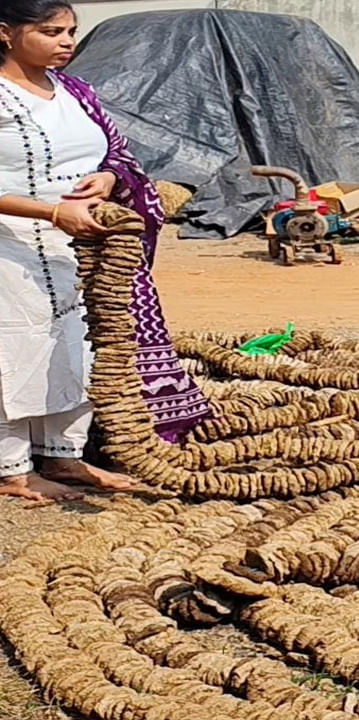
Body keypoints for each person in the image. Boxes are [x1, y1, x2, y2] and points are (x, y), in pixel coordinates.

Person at [0, 0, 211, 503]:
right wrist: (51, 213)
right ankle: (10, 468)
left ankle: (64, 457)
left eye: (72, 31)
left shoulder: (75, 91)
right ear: (5, 33)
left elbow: (116, 152)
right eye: (51, 31)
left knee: (76, 344)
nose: (67, 42)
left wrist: (110, 176)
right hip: (9, 245)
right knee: (11, 349)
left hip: (75, 245)